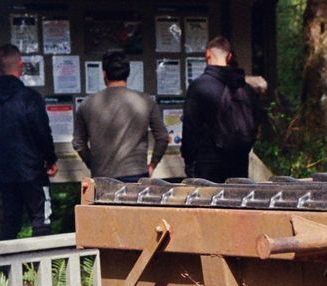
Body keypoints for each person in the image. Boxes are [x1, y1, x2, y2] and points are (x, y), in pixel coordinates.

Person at [0, 44, 57, 239]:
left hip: (4, 172)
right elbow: (42, 132)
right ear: (20, 65)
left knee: (10, 221)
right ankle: (42, 258)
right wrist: (50, 159)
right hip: (32, 170)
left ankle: (5, 260)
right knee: (41, 220)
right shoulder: (29, 98)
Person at [73, 50, 169, 182]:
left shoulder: (87, 104)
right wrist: (153, 164)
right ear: (128, 73)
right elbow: (163, 137)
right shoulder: (146, 101)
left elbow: (78, 142)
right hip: (137, 173)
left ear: (104, 74)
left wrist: (93, 165)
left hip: (102, 175)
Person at [182, 36, 260, 183]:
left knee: (209, 197)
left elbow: (190, 128)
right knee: (236, 197)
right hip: (239, 163)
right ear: (229, 57)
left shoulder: (199, 87)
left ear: (207, 54)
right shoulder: (246, 89)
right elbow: (255, 124)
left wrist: (189, 160)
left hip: (207, 164)